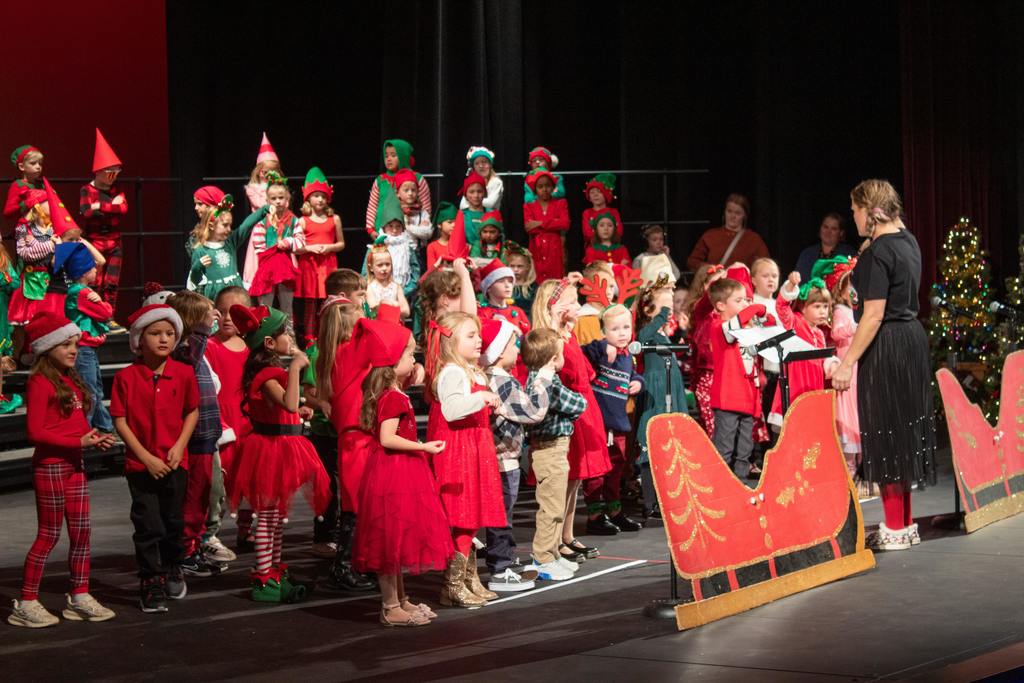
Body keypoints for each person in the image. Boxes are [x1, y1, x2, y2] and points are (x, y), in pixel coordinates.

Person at [830, 179, 936, 551]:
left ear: (870, 212)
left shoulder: (878, 253)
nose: (853, 216)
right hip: (911, 338)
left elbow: (872, 315)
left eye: (856, 209)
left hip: (886, 341)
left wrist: (846, 365)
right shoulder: (907, 241)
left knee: (887, 431)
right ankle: (903, 524)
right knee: (902, 431)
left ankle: (893, 528)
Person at [9, 312, 117, 628]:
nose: (73, 350)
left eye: (75, 344)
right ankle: (27, 602)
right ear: (48, 347)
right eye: (67, 345)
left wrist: (93, 439)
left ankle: (79, 595)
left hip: (74, 466)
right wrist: (79, 442)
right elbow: (36, 433)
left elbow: (76, 425)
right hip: (51, 468)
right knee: (49, 534)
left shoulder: (71, 380)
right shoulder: (41, 382)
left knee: (82, 533)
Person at [353, 317, 452, 626]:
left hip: (398, 470)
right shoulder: (393, 397)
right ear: (391, 363)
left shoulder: (396, 392)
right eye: (409, 355)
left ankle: (401, 600)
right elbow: (387, 437)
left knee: (396, 539)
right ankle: (389, 605)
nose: (414, 359)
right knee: (388, 540)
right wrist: (423, 447)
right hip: (393, 471)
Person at [227, 304, 330, 602]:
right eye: (284, 332)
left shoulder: (272, 370)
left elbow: (290, 405)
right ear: (270, 343)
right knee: (269, 516)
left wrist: (301, 409)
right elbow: (286, 401)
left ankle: (274, 570)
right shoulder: (266, 373)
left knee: (277, 516)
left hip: (284, 445)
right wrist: (297, 367)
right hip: (270, 450)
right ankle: (263, 577)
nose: (290, 336)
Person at [111, 304, 199, 613]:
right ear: (139, 338)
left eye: (169, 333)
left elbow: (191, 411)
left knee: (173, 521)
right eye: (155, 333)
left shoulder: (184, 373)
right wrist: (146, 457)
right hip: (141, 465)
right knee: (148, 524)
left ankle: (173, 565)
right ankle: (150, 579)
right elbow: (120, 420)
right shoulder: (126, 377)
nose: (164, 339)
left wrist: (179, 446)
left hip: (176, 463)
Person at [425, 311, 505, 608]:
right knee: (463, 515)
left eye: (478, 334)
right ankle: (452, 584)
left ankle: (469, 578)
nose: (479, 339)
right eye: (470, 335)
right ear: (451, 342)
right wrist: (481, 398)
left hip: (474, 446)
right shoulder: (452, 372)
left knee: (471, 517)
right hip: (458, 449)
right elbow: (451, 409)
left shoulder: (469, 370)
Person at [532, 277, 610, 561]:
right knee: (564, 479)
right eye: (572, 302)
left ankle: (567, 535)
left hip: (584, 405)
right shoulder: (548, 336)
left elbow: (585, 373)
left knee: (575, 477)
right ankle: (554, 541)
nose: (578, 307)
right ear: (555, 306)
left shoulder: (569, 334)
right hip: (567, 410)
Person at [480, 319, 551, 592]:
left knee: (504, 514)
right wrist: (542, 379)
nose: (518, 348)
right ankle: (500, 568)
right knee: (501, 516)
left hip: (506, 457)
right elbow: (533, 411)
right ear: (498, 352)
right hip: (501, 459)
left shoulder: (498, 378)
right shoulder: (501, 382)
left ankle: (505, 560)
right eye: (512, 344)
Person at [167, 291, 226, 578]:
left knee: (203, 496)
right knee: (192, 498)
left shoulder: (199, 353)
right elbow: (190, 354)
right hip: (194, 438)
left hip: (206, 436)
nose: (215, 317)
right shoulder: (184, 350)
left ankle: (193, 546)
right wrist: (202, 328)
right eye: (209, 312)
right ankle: (185, 552)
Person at [522, 328, 586, 580]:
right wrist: (578, 402)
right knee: (551, 506)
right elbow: (577, 404)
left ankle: (553, 553)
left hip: (557, 447)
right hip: (549, 449)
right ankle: (543, 558)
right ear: (551, 360)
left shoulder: (546, 378)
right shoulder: (545, 381)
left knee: (557, 504)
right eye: (560, 355)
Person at [302, 295, 361, 559]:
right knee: (327, 487)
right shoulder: (317, 353)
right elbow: (308, 394)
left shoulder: (352, 349)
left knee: (349, 487)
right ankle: (323, 535)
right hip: (324, 431)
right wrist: (322, 403)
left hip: (346, 430)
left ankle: (344, 535)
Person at [581, 305, 645, 532]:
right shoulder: (601, 351)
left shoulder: (628, 356)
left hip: (618, 423)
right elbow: (584, 352)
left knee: (615, 469)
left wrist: (638, 382)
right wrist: (601, 346)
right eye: (615, 329)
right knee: (597, 471)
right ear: (604, 332)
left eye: (626, 327)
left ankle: (614, 510)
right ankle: (595, 515)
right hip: (598, 424)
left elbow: (632, 374)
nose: (622, 333)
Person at [203, 286, 251, 562]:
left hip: (248, 422)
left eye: (235, 311)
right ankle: (211, 533)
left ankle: (245, 529)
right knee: (220, 480)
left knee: (249, 481)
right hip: (223, 423)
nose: (228, 317)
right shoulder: (210, 347)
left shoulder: (252, 347)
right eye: (222, 311)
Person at [708, 278, 772, 481]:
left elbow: (770, 325)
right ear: (720, 305)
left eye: (746, 300)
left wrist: (762, 315)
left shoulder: (746, 330)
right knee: (725, 447)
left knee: (745, 448)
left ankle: (742, 483)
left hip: (748, 396)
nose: (745, 304)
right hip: (728, 397)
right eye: (739, 300)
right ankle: (722, 487)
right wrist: (755, 308)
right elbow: (733, 327)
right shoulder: (719, 327)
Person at [635, 279, 688, 514]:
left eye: (670, 307)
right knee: (651, 444)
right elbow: (641, 339)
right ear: (649, 310)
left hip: (670, 387)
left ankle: (669, 496)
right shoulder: (647, 332)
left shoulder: (663, 334)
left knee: (671, 444)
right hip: (656, 391)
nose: (668, 311)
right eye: (663, 306)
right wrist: (663, 313)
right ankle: (650, 501)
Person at [54, 243, 114, 436]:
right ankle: (83, 430)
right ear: (83, 272)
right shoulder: (82, 292)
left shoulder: (80, 291)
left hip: (88, 348)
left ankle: (104, 427)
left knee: (95, 389)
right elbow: (106, 313)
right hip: (83, 348)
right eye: (92, 268)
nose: (96, 270)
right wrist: (101, 301)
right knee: (89, 391)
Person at [814, 256, 862, 484]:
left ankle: (856, 466)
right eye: (850, 285)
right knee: (848, 411)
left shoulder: (852, 310)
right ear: (840, 288)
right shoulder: (842, 311)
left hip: (857, 367)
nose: (854, 290)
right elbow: (838, 333)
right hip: (847, 366)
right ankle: (848, 467)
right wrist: (859, 326)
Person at [768, 272, 835, 427]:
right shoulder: (795, 323)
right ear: (804, 307)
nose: (823, 311)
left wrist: (832, 364)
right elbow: (782, 307)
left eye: (826, 307)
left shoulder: (819, 333)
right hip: (795, 389)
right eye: (817, 306)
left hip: (813, 389)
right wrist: (791, 285)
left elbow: (823, 360)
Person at [78, 129, 127, 322]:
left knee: (112, 283)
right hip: (95, 241)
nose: (113, 176)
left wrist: (100, 206)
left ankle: (109, 316)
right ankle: (93, 315)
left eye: (116, 171)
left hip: (114, 242)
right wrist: (109, 206)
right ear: (98, 172)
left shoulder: (117, 189)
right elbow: (87, 212)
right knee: (94, 280)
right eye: (110, 171)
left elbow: (122, 208)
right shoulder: (86, 189)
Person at [296, 167, 345, 344]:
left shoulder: (335, 219)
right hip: (309, 265)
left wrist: (329, 247)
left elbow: (341, 244)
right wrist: (311, 248)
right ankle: (309, 337)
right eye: (316, 195)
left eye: (323, 196)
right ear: (308, 197)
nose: (320, 199)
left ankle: (327, 333)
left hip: (327, 264)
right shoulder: (302, 221)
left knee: (327, 301)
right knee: (310, 302)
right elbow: (296, 247)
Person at [188, 197, 268, 301]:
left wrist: (264, 209)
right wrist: (198, 265)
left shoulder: (230, 242)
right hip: (215, 296)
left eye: (230, 225)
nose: (229, 229)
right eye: (225, 225)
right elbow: (195, 279)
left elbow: (246, 225)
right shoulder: (200, 251)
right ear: (211, 226)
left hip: (235, 292)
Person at [249, 172, 304, 321]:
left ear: (287, 199)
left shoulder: (293, 220)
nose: (278, 201)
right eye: (273, 198)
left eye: (281, 198)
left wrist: (287, 242)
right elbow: (258, 246)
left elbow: (300, 241)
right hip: (267, 269)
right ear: (267, 200)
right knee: (266, 307)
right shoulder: (262, 221)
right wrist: (270, 252)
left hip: (285, 269)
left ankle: (289, 339)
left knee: (287, 308)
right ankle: (265, 336)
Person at [477, 258, 531, 383]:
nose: (507, 285)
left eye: (510, 281)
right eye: (501, 281)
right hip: (496, 370)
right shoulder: (482, 313)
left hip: (520, 370)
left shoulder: (518, 312)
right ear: (489, 287)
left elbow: (527, 339)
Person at [242, 133, 284, 288]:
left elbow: (283, 207)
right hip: (261, 231)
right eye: (264, 171)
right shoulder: (253, 189)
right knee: (259, 265)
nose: (267, 175)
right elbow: (263, 205)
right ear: (259, 171)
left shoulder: (280, 189)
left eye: (272, 171)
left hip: (278, 228)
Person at [686, 193, 770, 271]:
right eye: (729, 211)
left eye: (737, 213)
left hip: (741, 285)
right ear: (724, 212)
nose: (732, 216)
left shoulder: (754, 240)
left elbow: (765, 265)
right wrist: (711, 269)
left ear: (744, 215)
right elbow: (692, 262)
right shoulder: (710, 236)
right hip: (716, 284)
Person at [365, 139, 431, 236]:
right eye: (386, 156)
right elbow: (372, 206)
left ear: (403, 156)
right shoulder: (380, 180)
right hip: (383, 230)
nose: (388, 159)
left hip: (409, 231)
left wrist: (423, 226)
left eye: (393, 155)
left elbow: (426, 205)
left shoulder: (417, 178)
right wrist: (370, 229)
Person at [524, 169, 570, 283]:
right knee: (537, 284)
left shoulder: (560, 203)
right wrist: (554, 223)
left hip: (555, 250)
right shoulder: (528, 206)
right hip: (537, 250)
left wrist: (540, 223)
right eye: (540, 186)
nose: (544, 189)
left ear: (553, 187)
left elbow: (565, 223)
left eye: (548, 186)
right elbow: (530, 228)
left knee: (555, 283)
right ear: (535, 189)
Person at [794, 213, 857, 282]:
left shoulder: (848, 254)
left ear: (841, 233)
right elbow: (799, 283)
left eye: (834, 229)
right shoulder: (807, 254)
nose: (828, 232)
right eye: (825, 227)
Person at [4, 144, 46, 228]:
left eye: (40, 163)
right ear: (22, 166)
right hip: (25, 230)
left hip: (43, 228)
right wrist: (26, 203)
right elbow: (7, 212)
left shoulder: (41, 185)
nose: (38, 167)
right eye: (33, 163)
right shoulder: (18, 185)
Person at [392, 168, 433, 247]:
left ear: (418, 192)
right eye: (406, 190)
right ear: (398, 193)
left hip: (419, 251)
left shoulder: (422, 212)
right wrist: (419, 228)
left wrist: (409, 227)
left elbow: (428, 233)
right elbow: (394, 234)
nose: (410, 193)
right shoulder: (395, 211)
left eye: (413, 190)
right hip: (401, 251)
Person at [581, 174, 623, 247]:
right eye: (592, 192)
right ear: (589, 197)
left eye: (599, 192)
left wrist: (607, 242)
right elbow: (587, 233)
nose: (595, 195)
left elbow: (619, 231)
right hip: (593, 249)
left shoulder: (613, 212)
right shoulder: (587, 213)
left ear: (606, 194)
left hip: (612, 247)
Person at [461, 146, 503, 211]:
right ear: (473, 167)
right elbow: (462, 205)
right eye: (477, 163)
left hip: (490, 218)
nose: (481, 166)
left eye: (484, 162)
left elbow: (491, 203)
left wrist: (471, 201)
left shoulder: (496, 182)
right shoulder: (471, 182)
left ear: (490, 165)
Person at [458, 172, 489, 253]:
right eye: (471, 192)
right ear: (465, 195)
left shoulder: (491, 214)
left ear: (484, 193)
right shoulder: (461, 215)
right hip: (467, 256)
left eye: (479, 191)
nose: (476, 195)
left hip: (489, 255)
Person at [505, 241, 537, 316]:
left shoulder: (533, 288)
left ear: (528, 267)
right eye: (512, 266)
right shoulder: (503, 286)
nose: (515, 270)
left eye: (520, 266)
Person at [427, 202, 458, 272]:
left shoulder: (460, 245)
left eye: (456, 222)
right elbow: (431, 271)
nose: (454, 225)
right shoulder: (432, 247)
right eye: (450, 222)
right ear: (439, 225)